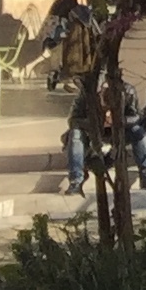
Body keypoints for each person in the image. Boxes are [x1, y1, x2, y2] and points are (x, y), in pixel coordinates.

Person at [63, 65, 98, 194]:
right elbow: (73, 120)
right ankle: (76, 180)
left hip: (115, 131)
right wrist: (93, 123)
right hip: (89, 130)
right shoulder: (84, 96)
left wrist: (118, 122)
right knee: (75, 134)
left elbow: (135, 116)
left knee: (139, 132)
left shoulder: (126, 92)